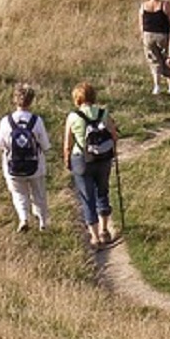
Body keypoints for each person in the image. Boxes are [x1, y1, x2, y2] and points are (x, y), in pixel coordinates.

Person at [63, 81, 119, 247]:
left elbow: (67, 143)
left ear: (77, 99)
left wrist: (67, 160)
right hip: (103, 158)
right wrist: (113, 153)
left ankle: (94, 237)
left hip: (81, 159)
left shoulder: (73, 117)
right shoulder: (103, 112)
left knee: (87, 197)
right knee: (103, 191)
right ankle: (105, 231)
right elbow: (114, 135)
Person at [0, 82, 51, 232]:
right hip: (35, 165)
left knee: (19, 194)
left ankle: (23, 218)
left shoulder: (6, 122)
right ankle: (42, 222)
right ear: (31, 101)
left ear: (15, 99)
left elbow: (1, 145)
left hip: (13, 166)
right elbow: (45, 145)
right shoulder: (36, 121)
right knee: (38, 193)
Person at [138, 0, 170, 94]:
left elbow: (141, 22)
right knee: (166, 59)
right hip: (163, 35)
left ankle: (157, 86)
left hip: (148, 35)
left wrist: (142, 35)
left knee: (154, 61)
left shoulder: (144, 5)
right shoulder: (164, 4)